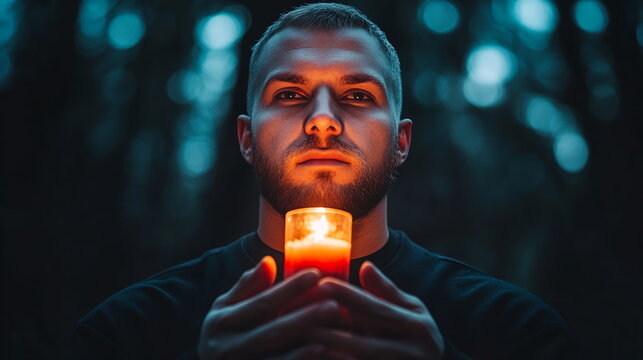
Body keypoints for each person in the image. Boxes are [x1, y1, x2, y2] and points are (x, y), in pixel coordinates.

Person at [68, 3, 575, 359]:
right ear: (246, 138)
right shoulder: (128, 331)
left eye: (357, 97)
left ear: (402, 142)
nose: (323, 121)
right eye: (290, 95)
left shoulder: (514, 331)